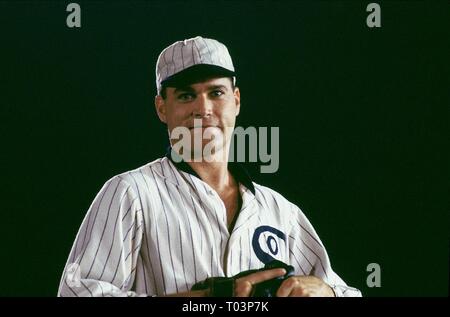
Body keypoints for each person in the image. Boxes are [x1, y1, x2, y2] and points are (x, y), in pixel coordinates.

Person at [57, 36, 362, 297]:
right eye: (187, 95)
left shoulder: (280, 212)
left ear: (236, 100)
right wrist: (211, 296)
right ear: (162, 108)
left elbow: (347, 292)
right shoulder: (130, 193)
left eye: (216, 93)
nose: (203, 109)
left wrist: (327, 291)